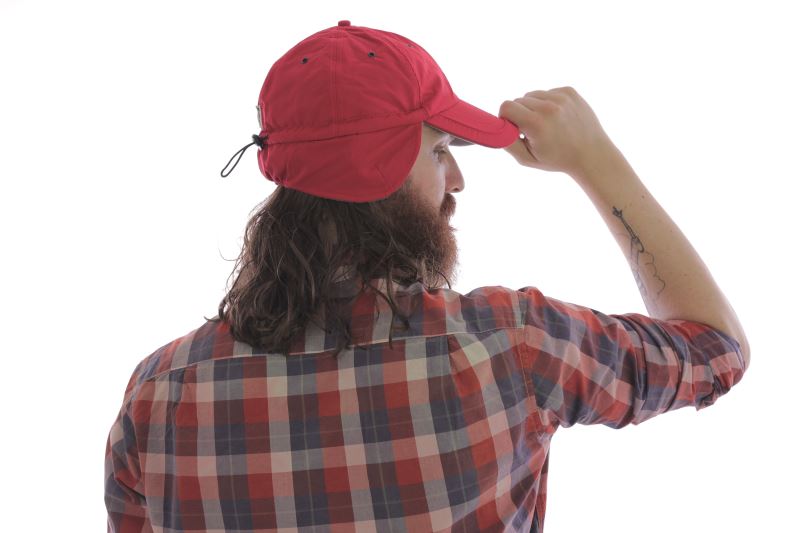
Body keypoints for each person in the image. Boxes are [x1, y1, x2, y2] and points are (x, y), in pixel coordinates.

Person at [105, 21, 750, 533]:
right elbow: (716, 348)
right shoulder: (513, 346)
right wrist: (594, 160)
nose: (457, 180)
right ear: (377, 169)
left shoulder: (160, 395)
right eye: (439, 150)